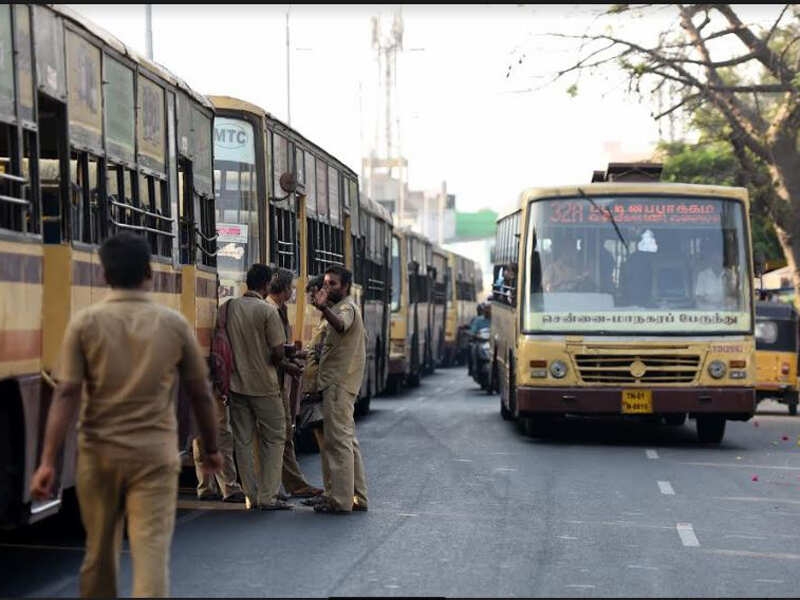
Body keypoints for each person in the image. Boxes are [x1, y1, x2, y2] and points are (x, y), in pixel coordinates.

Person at [29, 232, 223, 598]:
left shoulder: (85, 324)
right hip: (155, 456)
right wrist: (211, 448)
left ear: (103, 274)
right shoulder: (173, 324)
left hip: (98, 455)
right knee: (151, 554)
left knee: (99, 553)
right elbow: (201, 393)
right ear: (148, 273)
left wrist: (47, 462)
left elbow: (66, 393)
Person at [226, 263, 292, 510]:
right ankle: (268, 496)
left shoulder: (229, 307)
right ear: (266, 285)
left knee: (242, 440)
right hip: (264, 384)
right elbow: (277, 351)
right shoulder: (267, 312)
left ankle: (250, 496)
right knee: (275, 438)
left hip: (235, 383)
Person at [308, 265, 368, 513]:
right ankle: (355, 496)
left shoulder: (346, 308)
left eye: (333, 284)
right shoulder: (335, 309)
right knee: (345, 442)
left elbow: (342, 325)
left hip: (339, 384)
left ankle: (341, 501)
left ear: (345, 287)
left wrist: (323, 308)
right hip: (335, 382)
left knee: (338, 442)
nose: (327, 287)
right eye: (326, 283)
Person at [267, 268, 324, 500]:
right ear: (282, 289)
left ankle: (294, 483)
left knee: (285, 434)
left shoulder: (279, 309)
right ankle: (271, 488)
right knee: (275, 435)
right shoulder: (269, 310)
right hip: (270, 380)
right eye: (290, 288)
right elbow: (270, 350)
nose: (292, 292)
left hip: (280, 379)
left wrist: (295, 357)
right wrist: (288, 363)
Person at [191, 276, 246, 504]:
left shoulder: (213, 312)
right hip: (211, 378)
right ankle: (229, 487)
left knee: (199, 435)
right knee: (222, 433)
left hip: (196, 373)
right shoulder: (225, 314)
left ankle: (205, 486)